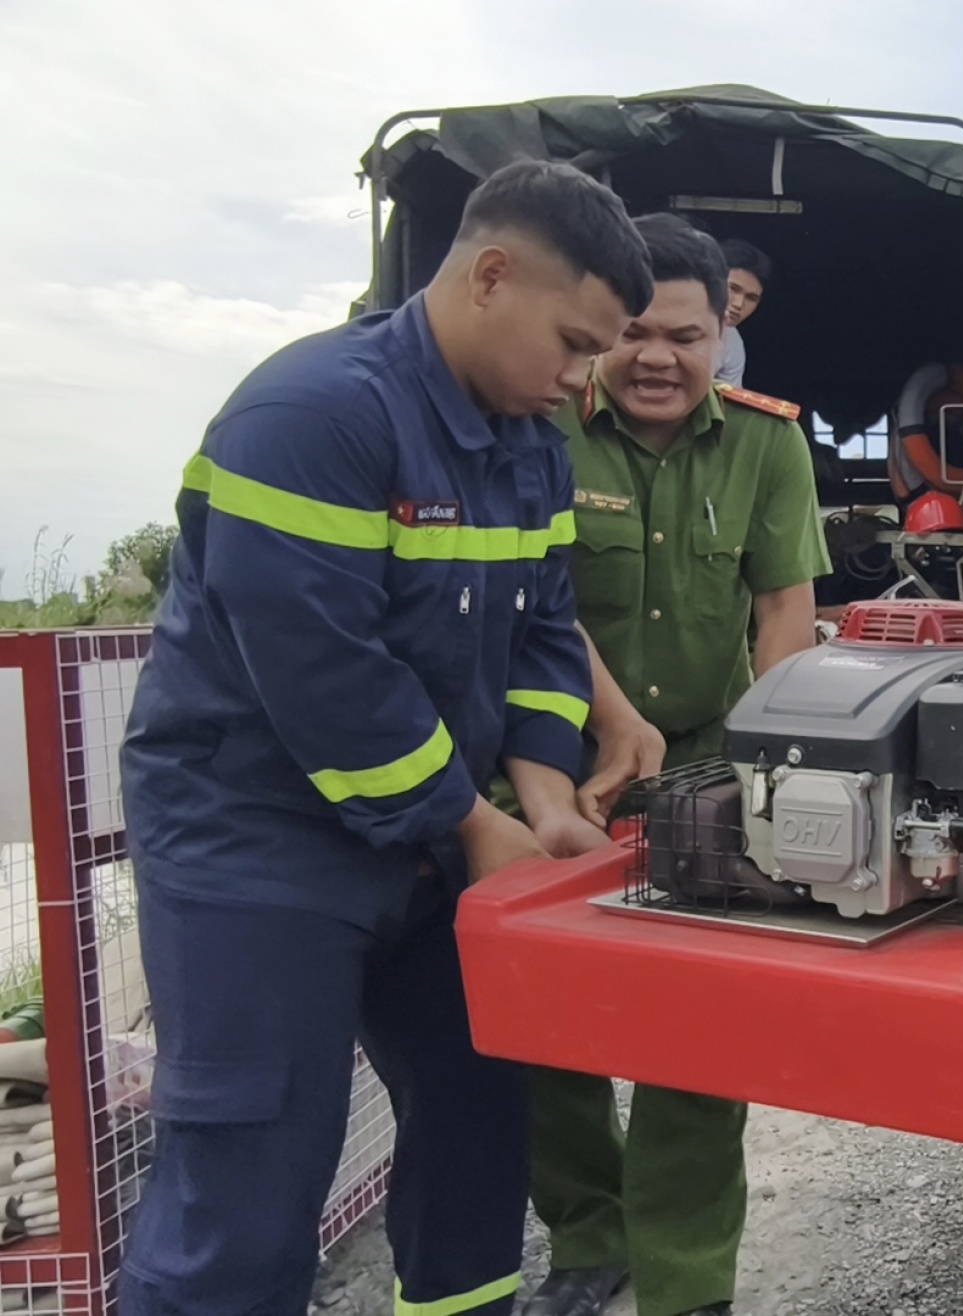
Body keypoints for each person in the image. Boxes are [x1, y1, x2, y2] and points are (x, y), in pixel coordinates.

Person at [117, 160, 653, 1316]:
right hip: (257, 841)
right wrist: (474, 822)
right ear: (489, 275)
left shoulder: (532, 443)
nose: (577, 379)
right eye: (570, 342)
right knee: (252, 1167)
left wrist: (547, 800)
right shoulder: (312, 414)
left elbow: (544, 631)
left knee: (476, 1124)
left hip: (431, 834)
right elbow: (323, 675)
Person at [523, 214, 830, 1316]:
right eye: (638, 332)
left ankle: (687, 1278)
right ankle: (588, 1236)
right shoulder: (545, 426)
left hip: (708, 762)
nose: (660, 357)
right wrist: (604, 732)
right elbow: (537, 602)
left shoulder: (767, 442)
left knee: (700, 1031)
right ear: (605, 329)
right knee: (547, 1018)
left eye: (687, 336)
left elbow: (784, 610)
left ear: (723, 335)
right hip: (556, 768)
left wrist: (761, 771)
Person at [714, 239, 769, 388]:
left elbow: (728, 404)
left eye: (751, 298)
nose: (739, 304)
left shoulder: (733, 343)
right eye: (733, 288)